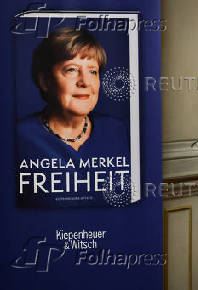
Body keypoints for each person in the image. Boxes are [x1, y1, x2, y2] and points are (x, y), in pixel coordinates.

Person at [17, 27, 130, 207]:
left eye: (93, 71)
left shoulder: (116, 130)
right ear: (45, 81)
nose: (84, 81)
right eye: (71, 70)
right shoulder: (19, 137)